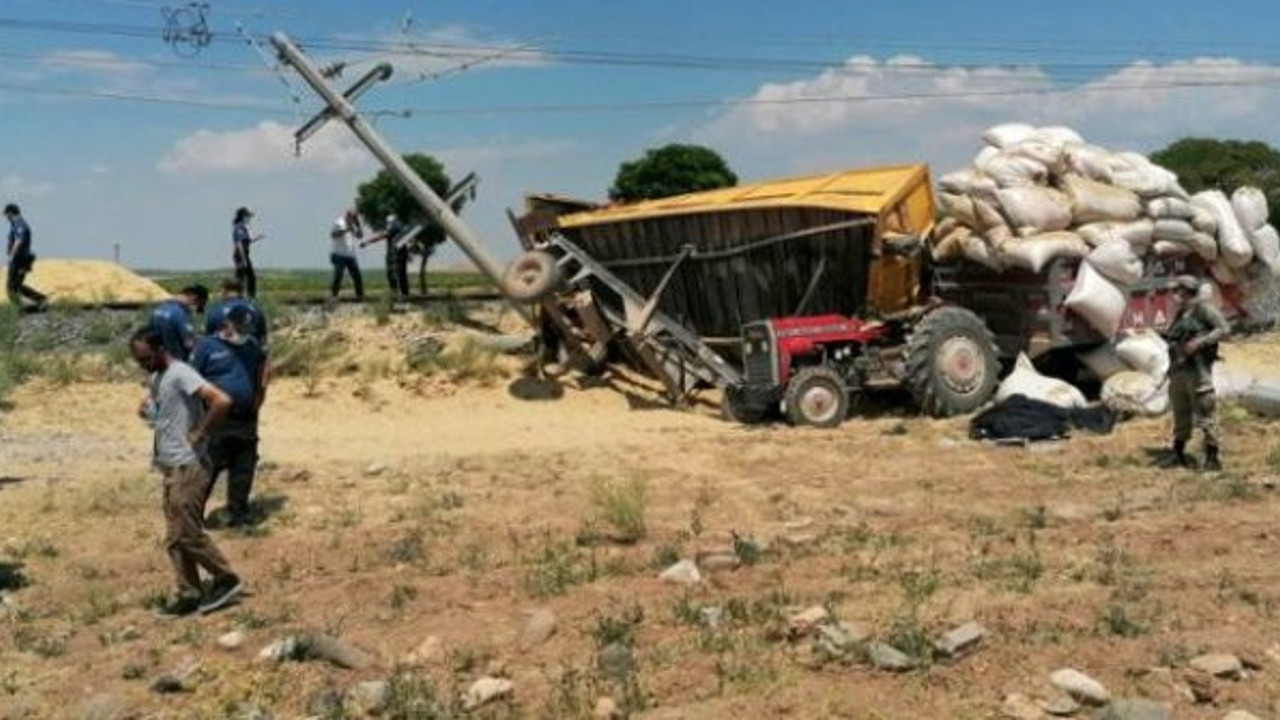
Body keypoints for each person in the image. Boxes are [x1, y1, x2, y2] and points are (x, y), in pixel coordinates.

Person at [129, 326, 243, 616]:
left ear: (159, 350)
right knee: (174, 536)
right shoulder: (158, 377)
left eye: (145, 359)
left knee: (187, 532)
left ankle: (225, 578)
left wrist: (201, 433)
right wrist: (149, 408)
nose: (142, 366)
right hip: (170, 465)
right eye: (138, 361)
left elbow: (221, 400)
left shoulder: (181, 372)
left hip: (188, 465)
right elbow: (163, 409)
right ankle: (188, 593)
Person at [191, 307, 268, 527]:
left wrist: (259, 397)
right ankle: (193, 517)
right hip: (217, 416)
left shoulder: (252, 346)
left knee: (244, 465)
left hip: (246, 418)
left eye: (247, 329)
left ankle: (238, 513)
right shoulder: (207, 346)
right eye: (240, 328)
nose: (244, 333)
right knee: (209, 467)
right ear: (227, 325)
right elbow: (191, 379)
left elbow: (262, 371)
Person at [1161, 276, 1230, 471]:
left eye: (1177, 291)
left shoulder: (1204, 309)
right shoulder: (1182, 312)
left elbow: (1224, 328)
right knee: (1180, 413)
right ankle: (1178, 454)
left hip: (1198, 371)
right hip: (1179, 370)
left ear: (1185, 290)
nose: (1174, 295)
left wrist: (1201, 342)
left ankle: (1212, 458)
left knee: (1206, 414)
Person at [4, 203, 48, 310]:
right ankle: (38, 300)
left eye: (6, 215)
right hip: (19, 259)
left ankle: (21, 307)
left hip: (20, 260)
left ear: (10, 213)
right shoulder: (15, 225)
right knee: (16, 286)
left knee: (12, 287)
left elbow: (19, 240)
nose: (6, 218)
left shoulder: (20, 224)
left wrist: (12, 256)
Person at [149, 285, 208, 362]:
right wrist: (201, 341)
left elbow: (150, 334)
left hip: (160, 360)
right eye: (197, 305)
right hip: (177, 361)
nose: (193, 309)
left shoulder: (158, 309)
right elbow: (189, 344)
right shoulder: (181, 313)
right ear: (194, 297)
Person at [205, 278, 268, 348]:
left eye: (220, 291)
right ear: (242, 291)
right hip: (252, 355)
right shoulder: (256, 309)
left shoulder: (216, 311)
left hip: (225, 355)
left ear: (224, 291)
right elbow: (262, 338)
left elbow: (209, 340)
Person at [361, 213, 412, 299]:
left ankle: (397, 296)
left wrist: (367, 242)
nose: (388, 225)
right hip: (399, 255)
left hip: (395, 256)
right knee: (401, 276)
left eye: (389, 223)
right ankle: (403, 295)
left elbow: (381, 236)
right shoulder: (401, 228)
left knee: (394, 275)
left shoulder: (395, 229)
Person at [329, 208, 365, 301]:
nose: (353, 219)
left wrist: (358, 225)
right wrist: (346, 230)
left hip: (350, 255)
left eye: (355, 218)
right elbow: (333, 234)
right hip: (339, 254)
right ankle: (333, 296)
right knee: (338, 275)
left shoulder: (353, 224)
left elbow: (360, 236)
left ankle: (360, 296)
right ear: (347, 215)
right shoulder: (339, 222)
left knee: (357, 276)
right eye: (353, 217)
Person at [232, 207, 263, 299]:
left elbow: (247, 241)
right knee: (245, 277)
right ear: (243, 217)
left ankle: (245, 296)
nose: (249, 218)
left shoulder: (242, 228)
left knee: (247, 277)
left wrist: (257, 238)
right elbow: (239, 244)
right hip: (241, 255)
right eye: (248, 216)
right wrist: (244, 259)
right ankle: (244, 297)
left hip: (243, 255)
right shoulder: (239, 228)